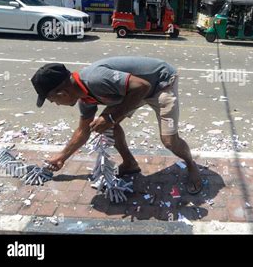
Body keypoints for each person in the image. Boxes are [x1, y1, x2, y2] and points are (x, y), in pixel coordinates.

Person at [30, 56, 203, 194]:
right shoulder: (85, 98)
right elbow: (83, 130)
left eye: (52, 100)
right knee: (106, 124)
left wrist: (111, 117)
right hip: (134, 90)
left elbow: (143, 86)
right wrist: (62, 157)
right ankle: (130, 163)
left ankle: (191, 164)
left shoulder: (96, 79)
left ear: (62, 92)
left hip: (161, 83)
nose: (55, 104)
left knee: (169, 141)